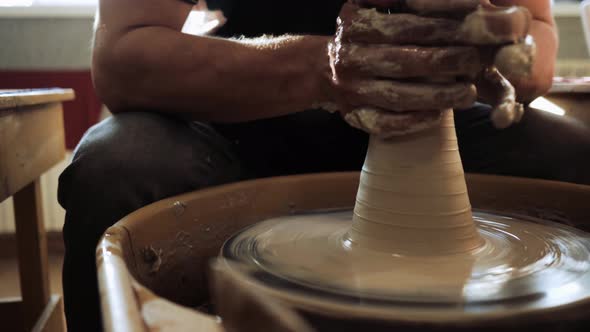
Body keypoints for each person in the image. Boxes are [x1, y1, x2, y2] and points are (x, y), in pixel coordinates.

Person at [58, 0, 588, 330]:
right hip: (245, 106)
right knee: (118, 169)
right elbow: (123, 56)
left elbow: (536, 30)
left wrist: (502, 47)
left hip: (435, 119)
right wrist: (321, 68)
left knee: (573, 158)